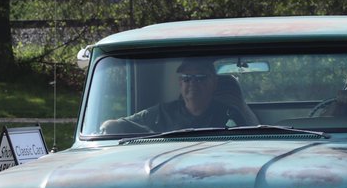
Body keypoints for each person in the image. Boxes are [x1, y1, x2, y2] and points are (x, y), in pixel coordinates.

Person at [100, 58, 255, 135]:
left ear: (214, 83)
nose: (193, 83)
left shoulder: (230, 114)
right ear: (180, 84)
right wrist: (109, 126)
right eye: (187, 78)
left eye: (200, 78)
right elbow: (115, 126)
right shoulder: (160, 113)